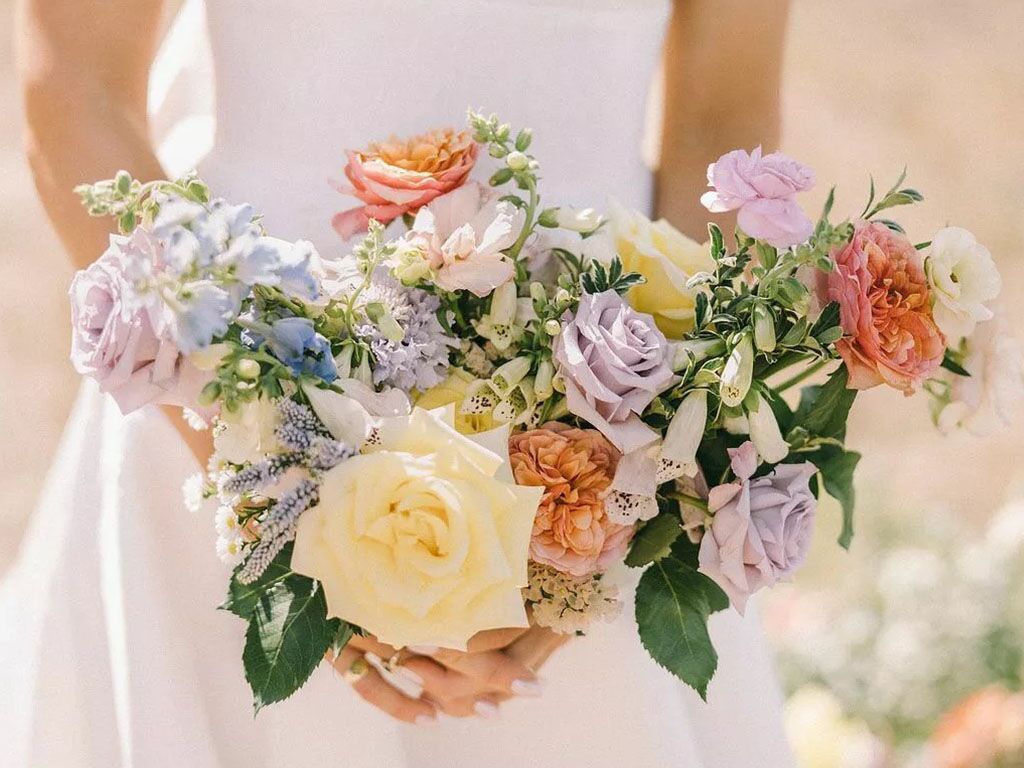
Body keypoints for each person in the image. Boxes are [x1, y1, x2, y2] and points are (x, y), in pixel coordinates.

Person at [5, 0, 795, 765]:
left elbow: (721, 124)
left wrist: (611, 514)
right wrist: (276, 487)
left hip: (604, 424)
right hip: (226, 388)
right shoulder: (242, 442)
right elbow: (75, 85)